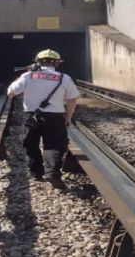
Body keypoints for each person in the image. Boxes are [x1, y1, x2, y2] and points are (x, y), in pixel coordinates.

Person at [7, 49, 80, 189]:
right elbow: (72, 99)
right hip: (55, 117)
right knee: (54, 146)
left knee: (31, 144)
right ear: (57, 63)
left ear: (38, 62)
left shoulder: (28, 76)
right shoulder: (64, 77)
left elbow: (10, 92)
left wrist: (25, 75)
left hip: (32, 117)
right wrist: (68, 117)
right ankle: (52, 173)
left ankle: (36, 172)